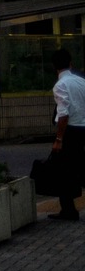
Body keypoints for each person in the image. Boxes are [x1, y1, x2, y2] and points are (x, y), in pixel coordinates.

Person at [49, 49, 85, 222]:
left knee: (64, 171)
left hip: (70, 131)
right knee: (80, 167)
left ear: (54, 67)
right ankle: (69, 209)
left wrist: (59, 139)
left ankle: (68, 210)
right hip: (83, 128)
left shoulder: (60, 85)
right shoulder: (81, 81)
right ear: (70, 63)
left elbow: (63, 114)